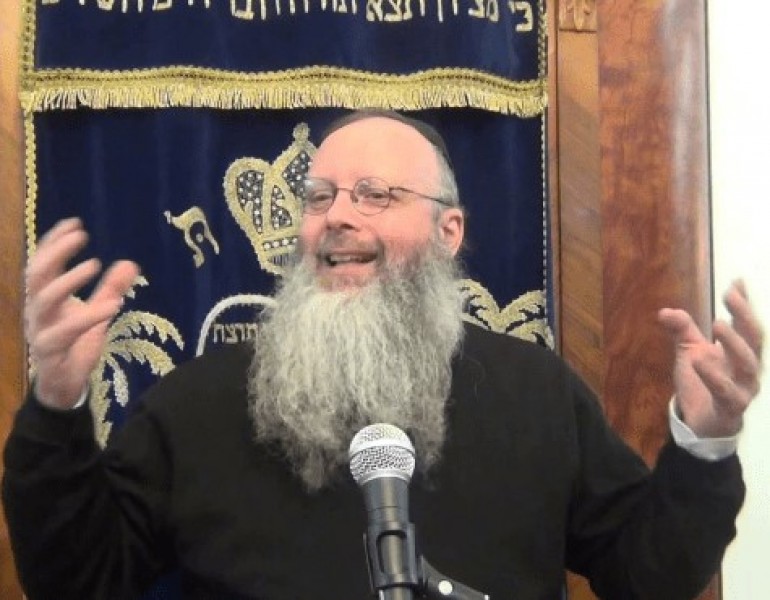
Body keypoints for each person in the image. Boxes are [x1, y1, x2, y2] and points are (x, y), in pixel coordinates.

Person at [2, 110, 764, 600]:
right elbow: (78, 579)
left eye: (374, 194)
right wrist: (57, 407)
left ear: (448, 232)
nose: (337, 216)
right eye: (319, 196)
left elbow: (649, 577)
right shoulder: (197, 402)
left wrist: (705, 443)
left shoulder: (536, 393)